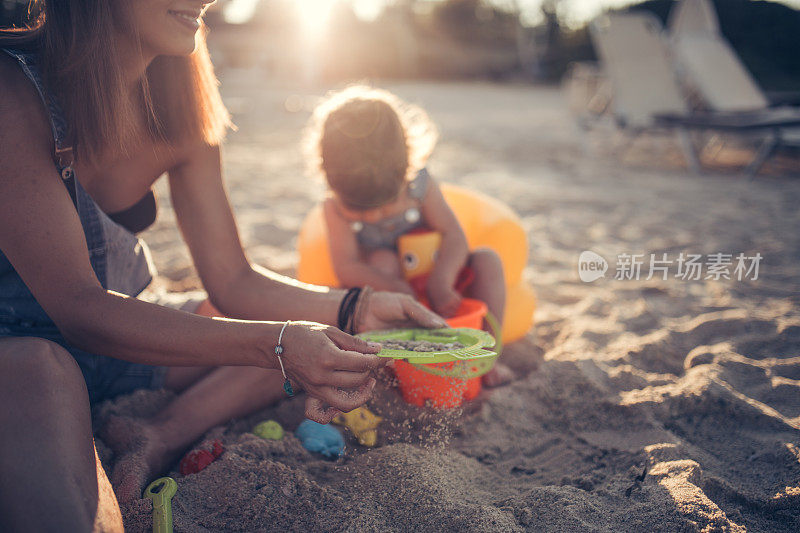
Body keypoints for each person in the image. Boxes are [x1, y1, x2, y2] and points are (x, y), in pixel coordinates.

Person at [0, 2, 446, 531]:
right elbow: (80, 308)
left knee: (317, 334)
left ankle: (160, 433)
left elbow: (232, 280)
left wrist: (357, 307)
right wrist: (279, 343)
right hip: (25, 346)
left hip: (125, 337)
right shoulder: (12, 90)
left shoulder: (178, 90)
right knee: (42, 371)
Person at [305, 86, 512, 387]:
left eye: (385, 205)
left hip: (437, 278)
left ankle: (487, 357)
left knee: (488, 260)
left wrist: (441, 279)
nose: (375, 216)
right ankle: (394, 363)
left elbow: (454, 235)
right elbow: (346, 266)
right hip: (389, 290)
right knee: (382, 259)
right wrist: (393, 287)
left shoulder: (419, 186)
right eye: (361, 213)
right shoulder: (334, 207)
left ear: (405, 169)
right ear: (330, 179)